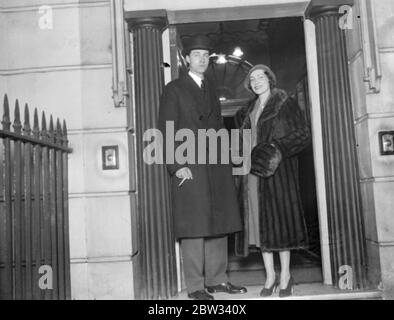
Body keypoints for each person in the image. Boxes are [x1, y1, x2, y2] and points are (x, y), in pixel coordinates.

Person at [158, 35, 247, 300]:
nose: (202, 59)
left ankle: (218, 280)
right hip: (191, 165)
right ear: (186, 59)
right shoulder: (174, 89)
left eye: (205, 56)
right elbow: (166, 129)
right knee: (194, 225)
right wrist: (176, 165)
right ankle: (196, 287)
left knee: (219, 221)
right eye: (196, 55)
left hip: (215, 165)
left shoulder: (209, 88)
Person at [235, 64, 311, 298]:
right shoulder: (246, 110)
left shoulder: (284, 103)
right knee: (260, 228)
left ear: (270, 79)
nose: (256, 81)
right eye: (252, 78)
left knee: (281, 226)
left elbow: (303, 135)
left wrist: (276, 148)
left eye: (261, 77)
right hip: (253, 175)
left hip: (278, 174)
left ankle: (286, 275)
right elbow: (244, 143)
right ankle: (270, 276)